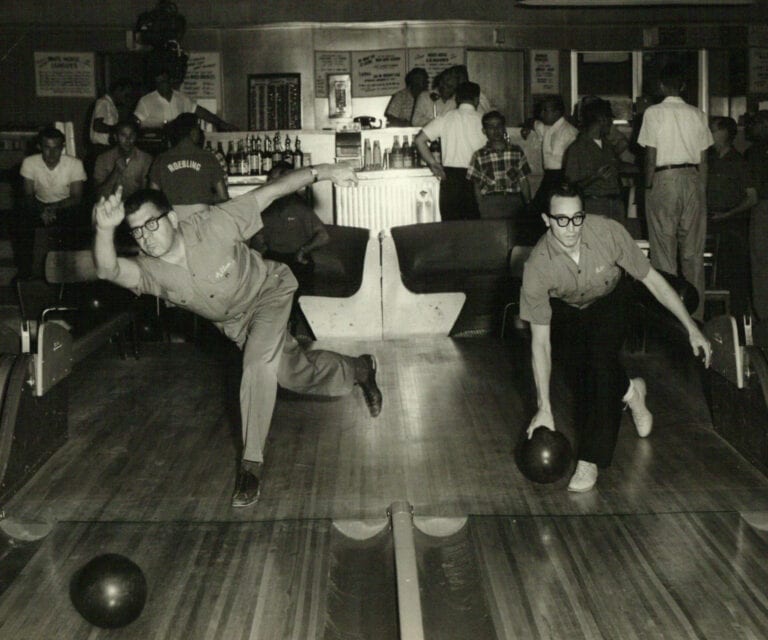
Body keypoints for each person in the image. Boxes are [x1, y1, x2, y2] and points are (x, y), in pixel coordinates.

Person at [91, 164, 383, 509]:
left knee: (257, 363)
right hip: (237, 325)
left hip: (269, 293)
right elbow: (107, 269)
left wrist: (328, 171)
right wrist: (103, 230)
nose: (146, 236)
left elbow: (273, 190)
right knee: (295, 375)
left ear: (171, 219)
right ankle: (360, 369)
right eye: (137, 232)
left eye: (151, 224)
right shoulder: (151, 271)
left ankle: (251, 465)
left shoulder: (214, 224)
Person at [520, 184, 711, 493]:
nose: (571, 228)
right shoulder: (537, 267)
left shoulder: (609, 233)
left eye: (577, 218)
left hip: (611, 300)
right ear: (546, 219)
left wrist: (691, 327)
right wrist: (544, 407)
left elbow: (653, 281)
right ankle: (631, 390)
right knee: (587, 368)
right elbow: (540, 343)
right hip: (567, 308)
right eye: (561, 220)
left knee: (600, 365)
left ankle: (590, 460)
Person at [637, 63, 713, 321]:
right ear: (683, 86)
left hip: (664, 178)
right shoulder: (698, 114)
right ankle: (697, 318)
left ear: (660, 86)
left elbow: (650, 156)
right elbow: (704, 160)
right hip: (693, 179)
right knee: (693, 254)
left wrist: (648, 187)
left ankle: (669, 320)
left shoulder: (653, 113)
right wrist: (700, 190)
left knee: (663, 254)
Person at [17, 126, 86, 278]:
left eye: (56, 148)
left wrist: (53, 208)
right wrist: (43, 210)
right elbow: (28, 195)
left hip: (65, 206)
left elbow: (76, 196)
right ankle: (25, 272)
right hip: (38, 205)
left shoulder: (75, 164)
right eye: (47, 148)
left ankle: (72, 273)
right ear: (39, 147)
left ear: (63, 147)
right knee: (20, 221)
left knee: (79, 220)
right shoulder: (29, 162)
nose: (52, 153)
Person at [706, 116, 757, 318]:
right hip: (712, 222)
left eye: (713, 130)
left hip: (732, 226)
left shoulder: (738, 162)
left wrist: (728, 214)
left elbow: (752, 197)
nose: (708, 134)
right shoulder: (709, 160)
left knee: (731, 274)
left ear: (724, 133)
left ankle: (734, 319)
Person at [414, 81, 486, 221]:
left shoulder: (446, 117)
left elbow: (419, 140)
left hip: (451, 178)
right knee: (476, 227)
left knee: (452, 227)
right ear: (477, 99)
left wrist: (433, 164)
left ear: (457, 99)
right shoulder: (483, 119)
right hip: (477, 177)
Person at [564, 98, 634, 224]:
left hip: (615, 206)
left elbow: (617, 167)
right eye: (610, 119)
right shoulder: (577, 148)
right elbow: (570, 187)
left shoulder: (607, 145)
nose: (612, 124)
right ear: (602, 119)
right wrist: (595, 177)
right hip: (594, 207)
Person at [149, 112, 229, 219]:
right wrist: (204, 198)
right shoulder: (208, 158)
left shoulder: (161, 159)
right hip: (202, 221)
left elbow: (153, 199)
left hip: (173, 221)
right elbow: (223, 196)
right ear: (194, 132)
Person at [466, 110, 531, 221]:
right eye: (490, 127)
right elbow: (476, 186)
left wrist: (529, 204)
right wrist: (480, 207)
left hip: (514, 202)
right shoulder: (479, 155)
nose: (495, 131)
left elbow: (524, 181)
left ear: (504, 128)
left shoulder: (517, 151)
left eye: (499, 126)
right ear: (484, 131)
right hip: (490, 204)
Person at [522, 95, 578, 218]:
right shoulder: (546, 127)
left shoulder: (570, 132)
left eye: (545, 110)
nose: (541, 114)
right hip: (549, 176)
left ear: (557, 112)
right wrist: (526, 127)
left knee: (551, 212)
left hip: (563, 177)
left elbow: (574, 161)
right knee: (537, 212)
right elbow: (532, 122)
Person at [134, 70, 236, 131]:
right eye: (158, 82)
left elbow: (201, 112)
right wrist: (159, 125)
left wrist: (221, 123)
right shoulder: (146, 101)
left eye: (164, 81)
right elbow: (136, 124)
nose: (162, 85)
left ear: (170, 81)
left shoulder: (182, 98)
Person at [93, 119, 152, 201]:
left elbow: (147, 195)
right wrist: (115, 172)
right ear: (115, 137)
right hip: (109, 206)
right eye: (123, 135)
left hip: (134, 206)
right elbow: (99, 196)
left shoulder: (145, 159)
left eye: (132, 135)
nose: (128, 139)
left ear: (136, 136)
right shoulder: (103, 159)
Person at [745, 111, 768, 322]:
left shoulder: (754, 152)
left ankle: (763, 316)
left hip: (763, 208)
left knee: (761, 264)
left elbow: (752, 192)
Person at [89, 78, 133, 154]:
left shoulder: (111, 105)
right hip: (101, 148)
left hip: (108, 148)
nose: (126, 98)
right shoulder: (103, 102)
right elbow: (97, 126)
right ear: (118, 90)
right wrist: (118, 129)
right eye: (126, 95)